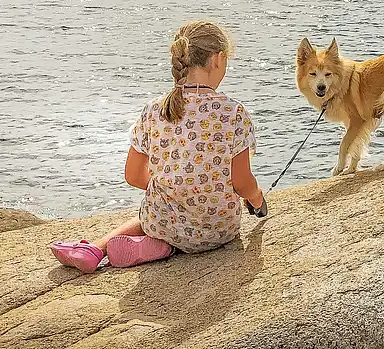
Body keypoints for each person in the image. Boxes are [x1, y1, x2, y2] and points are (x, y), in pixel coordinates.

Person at [50, 20, 266, 273]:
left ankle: (99, 249)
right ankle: (156, 248)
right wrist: (257, 198)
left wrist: (173, 189)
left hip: (164, 222)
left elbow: (133, 176)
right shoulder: (234, 112)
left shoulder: (155, 109)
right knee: (174, 213)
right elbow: (242, 183)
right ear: (218, 59)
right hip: (218, 231)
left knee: (156, 212)